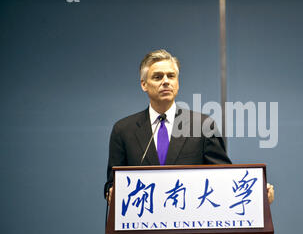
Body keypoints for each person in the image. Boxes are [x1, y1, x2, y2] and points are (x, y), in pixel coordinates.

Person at [104, 49, 274, 203]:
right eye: (157, 77)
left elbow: (223, 178)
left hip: (189, 229)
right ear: (144, 84)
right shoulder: (123, 130)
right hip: (141, 230)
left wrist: (258, 195)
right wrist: (111, 193)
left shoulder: (203, 126)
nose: (165, 81)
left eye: (171, 76)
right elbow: (112, 184)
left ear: (177, 83)